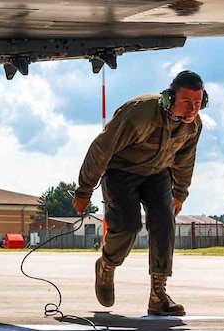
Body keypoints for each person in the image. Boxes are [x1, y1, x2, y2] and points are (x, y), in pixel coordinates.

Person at [72, 70, 207, 315]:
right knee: (128, 225)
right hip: (121, 170)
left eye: (197, 103)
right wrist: (84, 190)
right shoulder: (140, 114)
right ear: (169, 98)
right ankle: (106, 266)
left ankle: (158, 295)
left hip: (157, 173)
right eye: (186, 102)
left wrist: (180, 193)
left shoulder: (193, 127)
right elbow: (101, 148)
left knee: (165, 223)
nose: (191, 110)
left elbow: (186, 161)